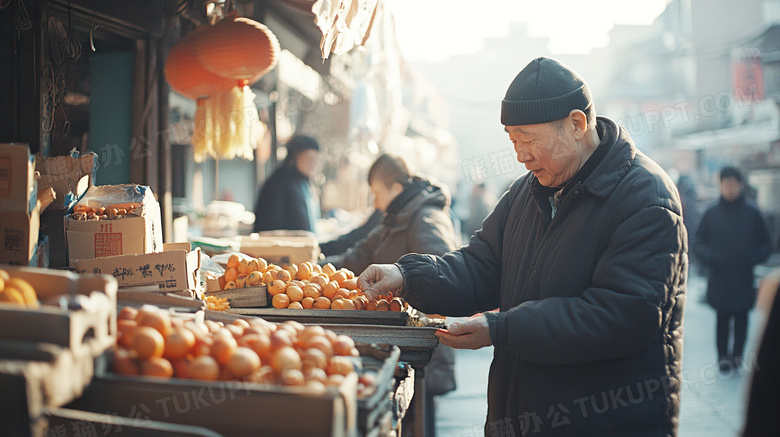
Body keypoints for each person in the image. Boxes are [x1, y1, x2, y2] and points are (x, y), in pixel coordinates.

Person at [357, 57, 688, 436]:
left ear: (577, 124)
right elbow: (481, 266)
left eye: (529, 139)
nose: (520, 154)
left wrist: (502, 329)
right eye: (512, 140)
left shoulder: (644, 198)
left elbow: (622, 315)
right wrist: (407, 276)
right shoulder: (524, 193)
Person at [323, 153, 458, 436]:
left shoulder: (426, 218)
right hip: (397, 336)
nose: (374, 202)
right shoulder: (395, 218)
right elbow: (358, 255)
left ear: (395, 189)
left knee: (418, 419)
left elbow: (442, 274)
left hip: (419, 339)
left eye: (376, 193)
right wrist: (316, 266)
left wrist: (404, 282)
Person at [694, 166, 772, 372]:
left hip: (744, 275)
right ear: (720, 185)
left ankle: (737, 356)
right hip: (719, 275)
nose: (730, 188)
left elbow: (766, 243)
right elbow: (698, 242)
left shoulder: (753, 212)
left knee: (741, 318)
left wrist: (752, 258)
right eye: (726, 183)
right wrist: (711, 258)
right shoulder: (711, 213)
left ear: (740, 184)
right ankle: (723, 358)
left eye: (733, 183)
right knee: (721, 318)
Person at [253, 135, 321, 233]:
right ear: (295, 156)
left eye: (316, 160)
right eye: (309, 159)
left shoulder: (303, 182)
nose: (314, 164)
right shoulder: (278, 183)